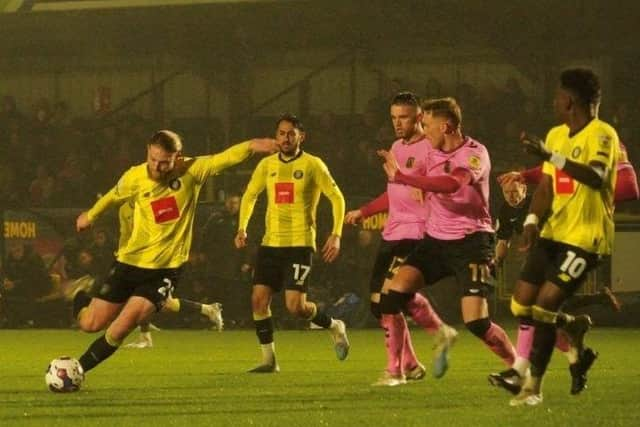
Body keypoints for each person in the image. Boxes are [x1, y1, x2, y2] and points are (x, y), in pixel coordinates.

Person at [70, 130, 276, 374]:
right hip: (129, 264)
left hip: (164, 271)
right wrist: (90, 215)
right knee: (90, 324)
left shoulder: (192, 171)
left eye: (164, 162)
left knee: (123, 326)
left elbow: (227, 157)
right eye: (152, 159)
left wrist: (254, 145)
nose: (156, 166)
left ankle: (76, 370)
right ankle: (80, 297)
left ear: (177, 157)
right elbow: (113, 196)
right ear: (148, 151)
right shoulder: (135, 176)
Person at [377, 97, 516, 380]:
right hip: (436, 240)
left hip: (473, 242)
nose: (423, 131)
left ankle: (518, 368)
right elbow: (414, 182)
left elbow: (453, 184)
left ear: (447, 126)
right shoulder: (429, 150)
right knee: (393, 294)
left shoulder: (475, 153)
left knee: (477, 322)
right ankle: (428, 344)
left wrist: (406, 179)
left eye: (427, 125)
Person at [504, 68, 619, 406]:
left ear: (569, 101)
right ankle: (574, 327)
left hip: (586, 238)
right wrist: (532, 219)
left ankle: (532, 387)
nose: (554, 102)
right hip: (554, 233)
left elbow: (596, 177)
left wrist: (548, 156)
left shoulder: (603, 135)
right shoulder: (555, 135)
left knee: (543, 307)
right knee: (519, 304)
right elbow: (546, 186)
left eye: (557, 97)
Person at [344, 92, 455, 386]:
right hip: (392, 232)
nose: (397, 123)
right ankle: (415, 359)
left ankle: (396, 371)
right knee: (377, 303)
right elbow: (393, 194)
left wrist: (428, 190)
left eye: (403, 117)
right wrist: (364, 211)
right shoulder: (395, 147)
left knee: (391, 299)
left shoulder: (430, 149)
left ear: (419, 117)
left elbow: (445, 183)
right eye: (393, 117)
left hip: (416, 233)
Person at [235, 113, 349, 373]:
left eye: (291, 133)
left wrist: (336, 233)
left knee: (295, 307)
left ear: (301, 137)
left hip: (299, 243)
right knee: (258, 300)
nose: (286, 138)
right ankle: (269, 359)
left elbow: (337, 197)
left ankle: (334, 325)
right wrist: (241, 226)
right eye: (281, 133)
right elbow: (250, 195)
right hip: (270, 243)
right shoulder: (267, 165)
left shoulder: (313, 165)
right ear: (276, 137)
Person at [489, 176, 621, 396]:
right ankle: (577, 355)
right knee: (537, 315)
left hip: (557, 257)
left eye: (515, 191)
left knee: (533, 311)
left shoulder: (539, 202)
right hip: (538, 260)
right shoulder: (506, 210)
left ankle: (525, 370)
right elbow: (503, 241)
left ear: (524, 188)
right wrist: (496, 263)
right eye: (506, 193)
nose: (511, 196)